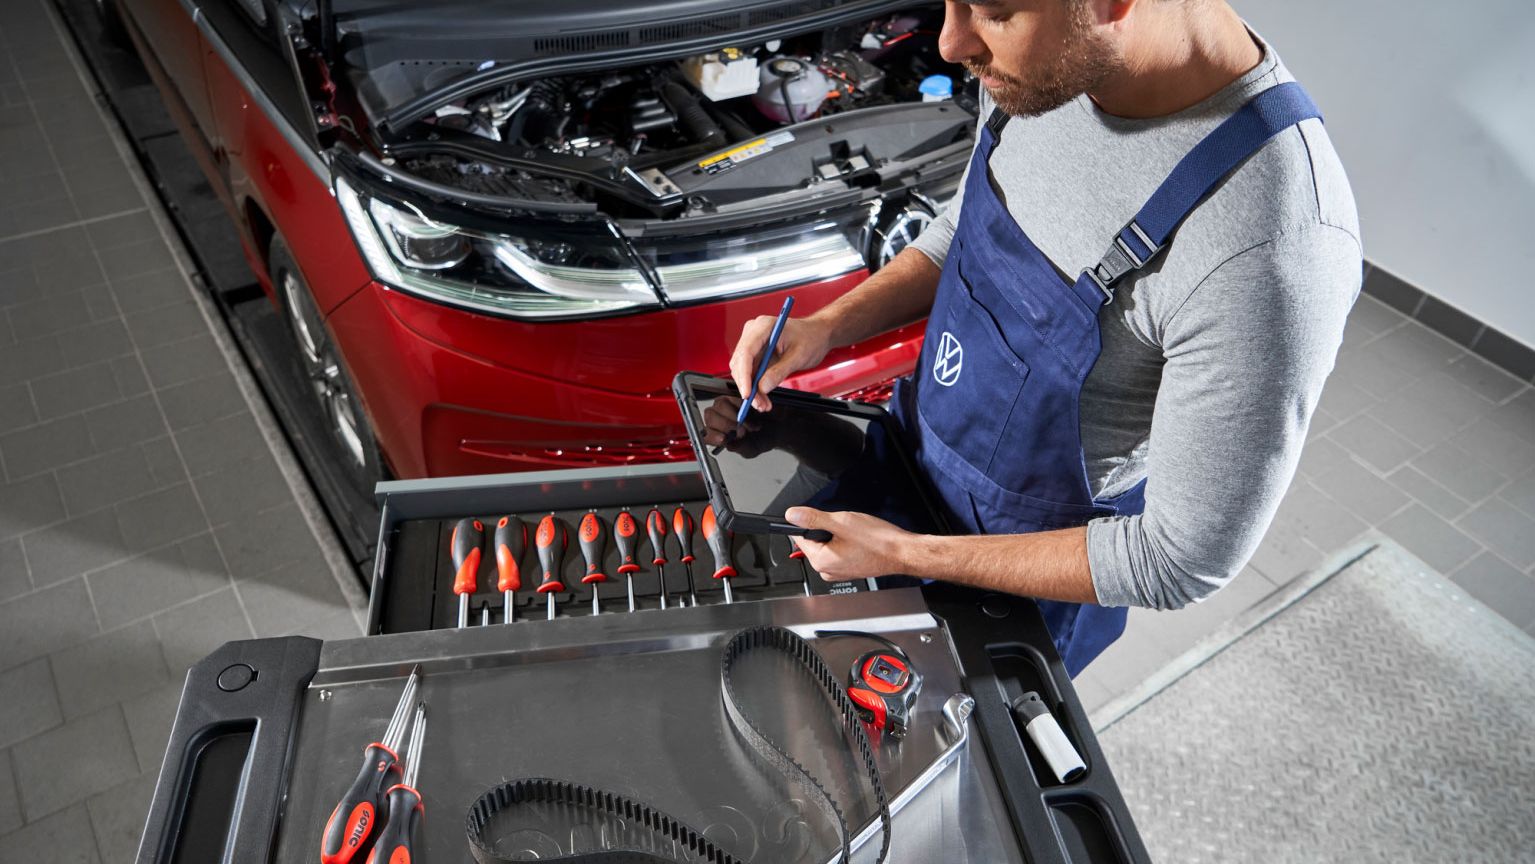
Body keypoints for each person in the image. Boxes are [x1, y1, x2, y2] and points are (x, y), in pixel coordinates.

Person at [724, 0, 1361, 675]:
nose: (948, 43)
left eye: (992, 12)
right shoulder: (1031, 71)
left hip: (1014, 592)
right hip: (895, 467)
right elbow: (964, 224)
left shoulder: (1272, 248)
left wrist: (906, 555)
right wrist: (829, 325)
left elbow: (1179, 561)